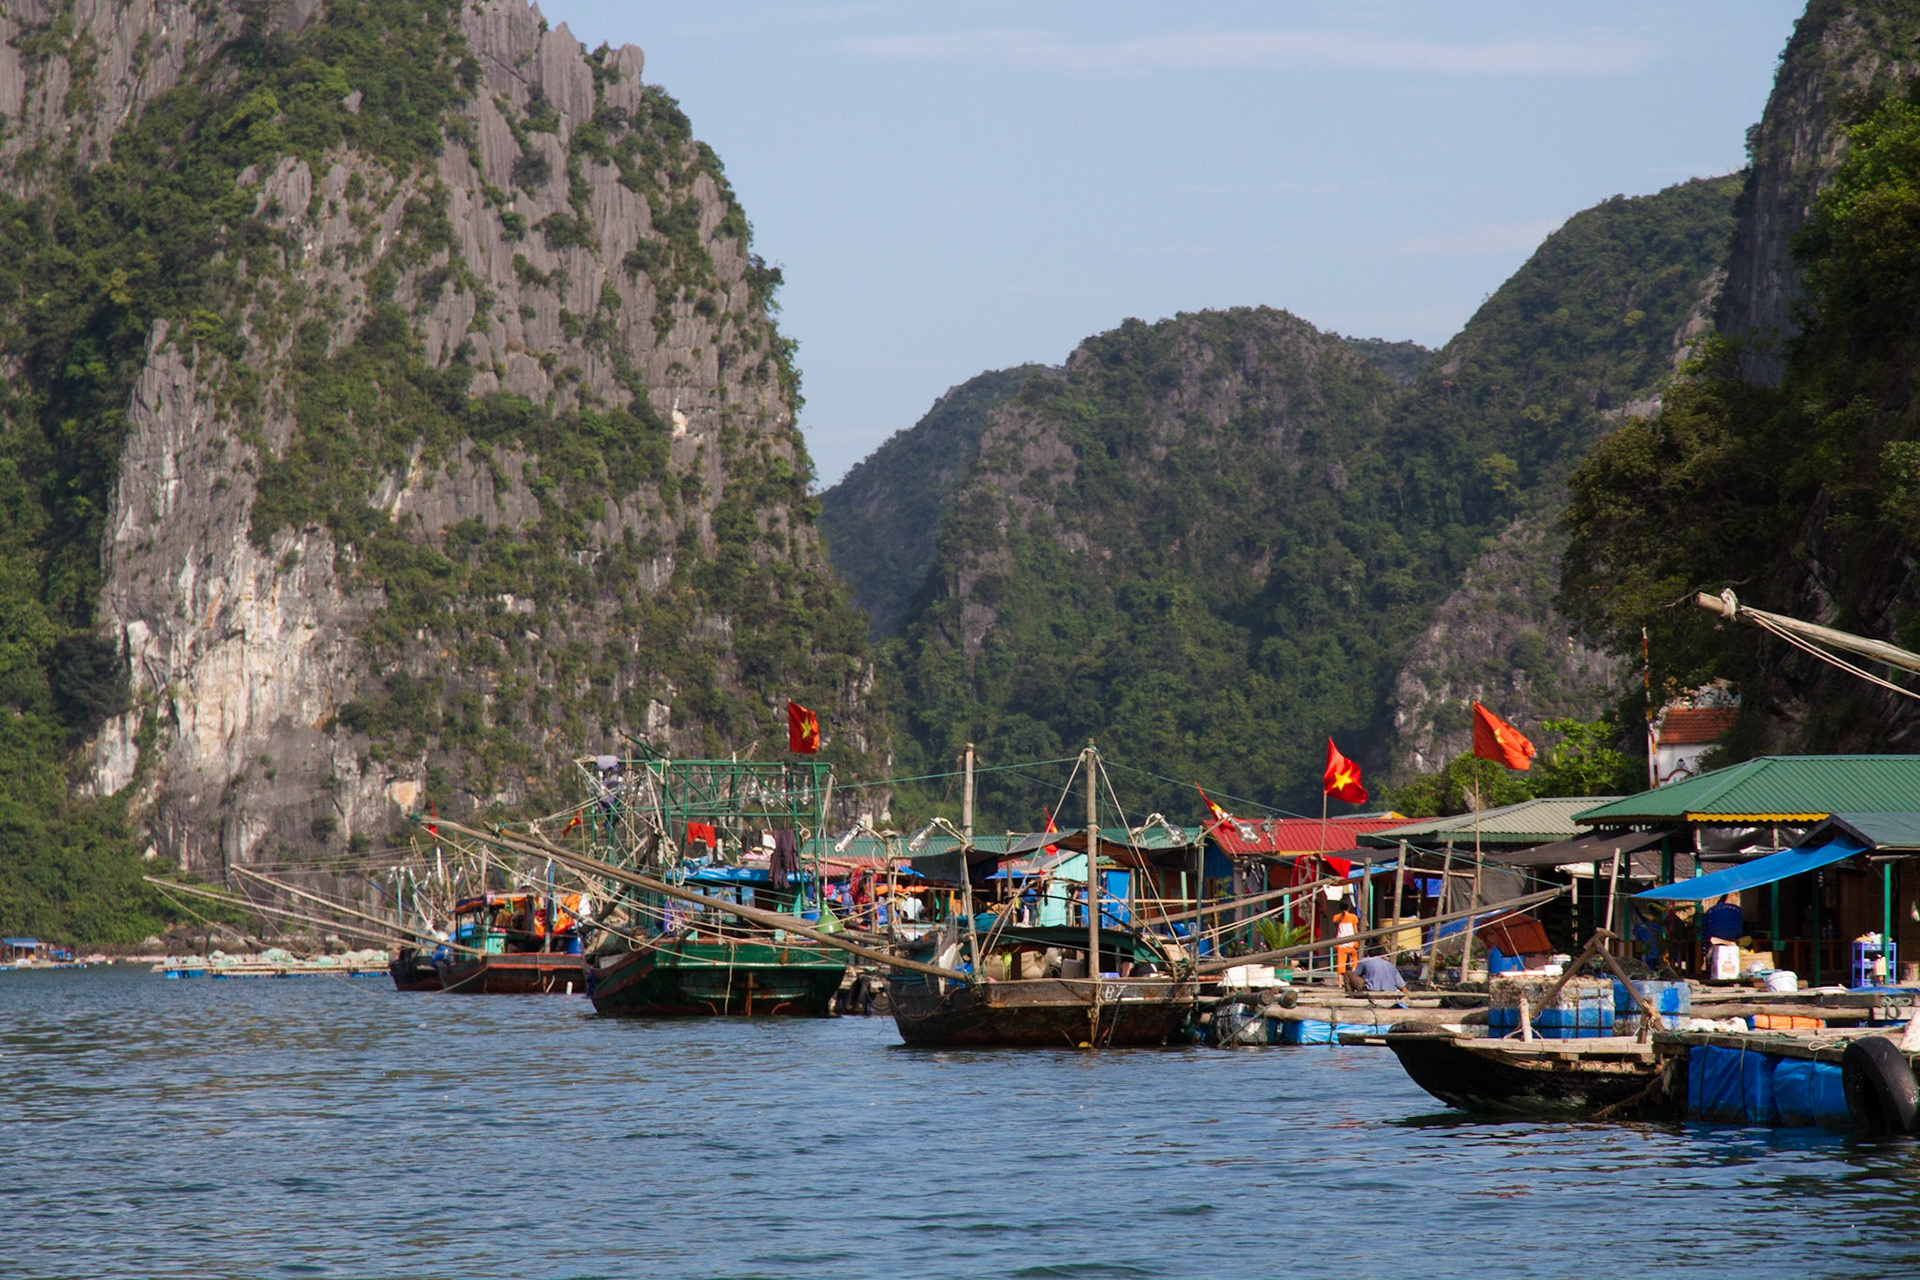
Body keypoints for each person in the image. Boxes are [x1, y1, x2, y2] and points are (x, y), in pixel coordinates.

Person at [1332, 900, 1360, 974]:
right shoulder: (1353, 917)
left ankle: (1340, 984)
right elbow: (1355, 931)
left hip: (1341, 943)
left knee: (1341, 964)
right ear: (1349, 907)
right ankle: (1354, 974)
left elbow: (1335, 931)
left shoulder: (1336, 917)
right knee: (1354, 960)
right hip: (1351, 942)